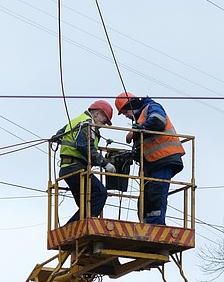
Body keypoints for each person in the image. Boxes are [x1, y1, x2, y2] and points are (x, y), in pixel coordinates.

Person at [115, 93, 184, 225]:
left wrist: (135, 131)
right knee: (145, 198)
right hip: (152, 162)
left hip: (164, 158)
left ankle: (156, 225)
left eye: (125, 113)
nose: (127, 116)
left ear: (131, 105)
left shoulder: (151, 107)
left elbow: (158, 122)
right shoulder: (141, 117)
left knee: (156, 192)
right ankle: (147, 223)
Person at [52, 100, 113, 224]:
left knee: (87, 204)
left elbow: (59, 134)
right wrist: (105, 163)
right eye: (104, 120)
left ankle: (74, 227)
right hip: (76, 168)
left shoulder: (78, 121)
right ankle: (71, 228)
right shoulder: (87, 124)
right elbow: (84, 146)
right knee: (99, 193)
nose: (103, 125)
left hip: (69, 167)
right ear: (97, 114)